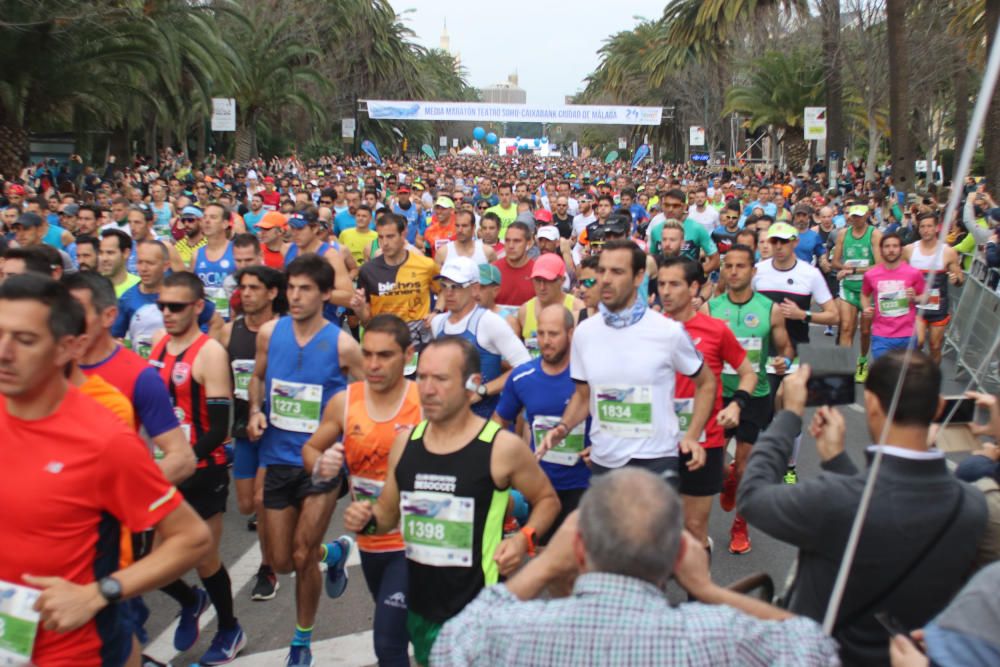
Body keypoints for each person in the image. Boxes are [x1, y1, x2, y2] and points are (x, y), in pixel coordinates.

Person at [0, 273, 211, 666]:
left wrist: (98, 593)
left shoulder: (103, 439)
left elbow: (192, 538)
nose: (4, 351)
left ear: (66, 349)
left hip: (72, 653)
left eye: (25, 340)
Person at [430, 469, 839, 667]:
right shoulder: (715, 637)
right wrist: (709, 590)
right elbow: (816, 649)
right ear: (677, 556)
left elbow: (451, 644)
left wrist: (547, 565)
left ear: (579, 548)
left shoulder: (509, 632)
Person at [738, 354, 988, 666]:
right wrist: (837, 462)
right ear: (938, 407)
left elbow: (752, 495)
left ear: (870, 403)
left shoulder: (836, 499)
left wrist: (789, 415)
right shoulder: (973, 506)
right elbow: (881, 519)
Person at [342, 335, 560, 666]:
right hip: (421, 610)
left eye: (441, 379)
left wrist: (524, 539)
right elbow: (386, 516)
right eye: (423, 377)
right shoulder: (405, 444)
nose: (427, 389)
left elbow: (547, 500)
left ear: (472, 386)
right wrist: (365, 518)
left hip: (480, 611)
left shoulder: (499, 447)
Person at [247, 253, 363, 666]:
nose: (295, 297)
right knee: (280, 561)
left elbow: (366, 401)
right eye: (291, 288)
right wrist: (256, 410)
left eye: (305, 290)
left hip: (322, 463)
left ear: (326, 294)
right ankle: (334, 556)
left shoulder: (344, 345)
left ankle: (301, 640)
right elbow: (258, 377)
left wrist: (352, 454)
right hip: (277, 457)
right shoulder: (269, 334)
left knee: (300, 552)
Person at [538, 240, 714, 485]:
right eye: (602, 271)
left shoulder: (667, 331)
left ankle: (791, 478)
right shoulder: (584, 333)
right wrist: (562, 428)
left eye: (617, 272)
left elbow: (706, 383)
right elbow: (582, 396)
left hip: (656, 460)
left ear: (639, 277)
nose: (606, 279)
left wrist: (692, 435)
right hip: (604, 461)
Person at [301, 314, 422, 667]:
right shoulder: (345, 401)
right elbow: (311, 449)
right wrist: (321, 466)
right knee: (406, 633)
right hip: (370, 541)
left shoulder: (424, 403)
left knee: (387, 642)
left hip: (415, 542)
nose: (373, 364)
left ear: (408, 355)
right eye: (367, 354)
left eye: (384, 355)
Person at [147, 271, 246, 665]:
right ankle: (191, 600)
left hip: (203, 468)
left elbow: (220, 428)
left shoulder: (210, 354)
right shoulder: (157, 344)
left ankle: (229, 628)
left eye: (176, 307)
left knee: (203, 557)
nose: (167, 314)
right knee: (145, 559)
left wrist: (185, 459)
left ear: (198, 307)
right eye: (162, 307)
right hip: (159, 467)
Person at [658, 256, 757, 552]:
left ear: (694, 288)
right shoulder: (649, 329)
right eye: (661, 284)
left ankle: (696, 592)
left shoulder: (716, 330)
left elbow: (748, 373)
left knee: (694, 529)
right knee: (658, 526)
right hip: (658, 442)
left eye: (674, 284)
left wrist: (736, 404)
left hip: (705, 441)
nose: (665, 291)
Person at [707, 244, 794, 555]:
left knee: (745, 467)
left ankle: (740, 526)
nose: (732, 271)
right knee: (713, 466)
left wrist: (784, 361)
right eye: (728, 266)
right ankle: (727, 478)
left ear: (753, 271)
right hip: (718, 396)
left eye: (740, 266)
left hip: (755, 396)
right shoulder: (712, 308)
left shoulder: (768, 309)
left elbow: (785, 349)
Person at [493, 305, 591, 540]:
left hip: (585, 484)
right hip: (540, 485)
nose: (546, 341)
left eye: (553, 334)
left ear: (570, 333)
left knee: (579, 557)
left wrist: (599, 447)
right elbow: (499, 421)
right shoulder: (522, 376)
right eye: (541, 334)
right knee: (539, 554)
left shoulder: (588, 373)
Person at [219, 265, 285, 602]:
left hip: (278, 432)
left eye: (254, 288)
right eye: (242, 288)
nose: (245, 293)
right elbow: (221, 383)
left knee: (262, 501)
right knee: (246, 505)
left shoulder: (285, 331)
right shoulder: (229, 332)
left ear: (272, 293)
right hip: (243, 429)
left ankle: (267, 568)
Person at [431, 256, 531, 418]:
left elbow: (525, 365)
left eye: (456, 286)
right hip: (448, 420)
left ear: (475, 289)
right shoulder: (438, 324)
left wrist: (483, 390)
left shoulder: (489, 322)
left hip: (485, 421)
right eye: (444, 286)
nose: (448, 293)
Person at [354, 213, 439, 366]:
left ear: (403, 234)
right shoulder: (368, 270)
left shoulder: (426, 265)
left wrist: (436, 312)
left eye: (390, 236)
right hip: (384, 344)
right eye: (381, 237)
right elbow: (366, 321)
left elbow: (444, 290)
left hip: (419, 345)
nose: (384, 243)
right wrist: (360, 310)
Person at [113, 240, 221, 359]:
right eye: (140, 262)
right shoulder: (127, 299)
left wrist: (202, 357)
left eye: (150, 263)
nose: (143, 268)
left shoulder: (180, 293)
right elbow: (115, 339)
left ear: (165, 266)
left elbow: (216, 322)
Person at [903, 211, 965, 364]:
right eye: (922, 226)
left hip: (938, 307)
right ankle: (914, 377)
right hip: (916, 306)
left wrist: (955, 278)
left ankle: (933, 378)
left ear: (936, 228)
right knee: (917, 342)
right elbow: (900, 274)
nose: (926, 230)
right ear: (918, 229)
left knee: (935, 346)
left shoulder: (948, 252)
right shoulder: (909, 250)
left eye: (929, 226)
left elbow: (960, 279)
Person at [831, 203, 881, 382]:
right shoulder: (843, 234)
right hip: (849, 287)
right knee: (846, 328)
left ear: (867, 215)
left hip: (868, 290)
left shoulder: (874, 234)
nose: (856, 219)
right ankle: (845, 367)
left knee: (866, 331)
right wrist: (842, 268)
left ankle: (862, 361)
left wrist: (854, 270)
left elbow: (879, 264)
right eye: (853, 216)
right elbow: (835, 262)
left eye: (859, 215)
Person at [861, 232, 925, 360]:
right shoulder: (871, 274)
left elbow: (925, 296)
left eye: (895, 246)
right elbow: (864, 294)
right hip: (881, 334)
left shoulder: (914, 273)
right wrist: (866, 308)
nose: (891, 250)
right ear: (881, 250)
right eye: (887, 246)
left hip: (907, 335)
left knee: (904, 377)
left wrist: (914, 298)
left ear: (901, 250)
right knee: (885, 375)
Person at [517, 253, 583, 356]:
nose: (542, 287)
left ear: (562, 280)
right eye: (538, 280)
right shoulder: (524, 310)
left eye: (548, 281)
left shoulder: (577, 308)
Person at [193, 202, 236, 321]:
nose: (207, 221)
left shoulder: (236, 252)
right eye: (205, 217)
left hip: (229, 321)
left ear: (225, 223)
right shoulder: (196, 254)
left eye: (213, 217)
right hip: (204, 322)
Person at [491, 221, 535, 308]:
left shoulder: (537, 272)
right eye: (507, 240)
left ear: (529, 243)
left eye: (517, 241)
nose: (511, 245)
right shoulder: (492, 270)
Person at [99, 228, 140, 297]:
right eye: (101, 253)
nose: (104, 258)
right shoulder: (92, 287)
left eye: (110, 253)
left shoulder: (139, 287)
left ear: (126, 253)